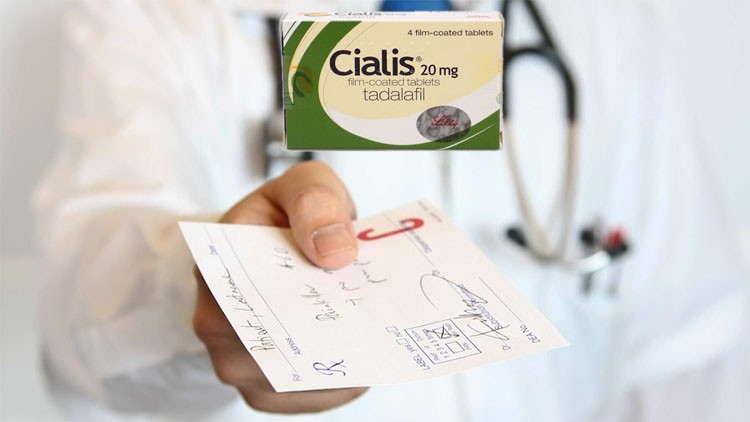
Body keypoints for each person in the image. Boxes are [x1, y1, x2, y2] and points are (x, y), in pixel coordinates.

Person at [33, 0, 749, 420]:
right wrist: (200, 286)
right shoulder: (157, 19)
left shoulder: (601, 24)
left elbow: (690, 348)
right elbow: (81, 320)